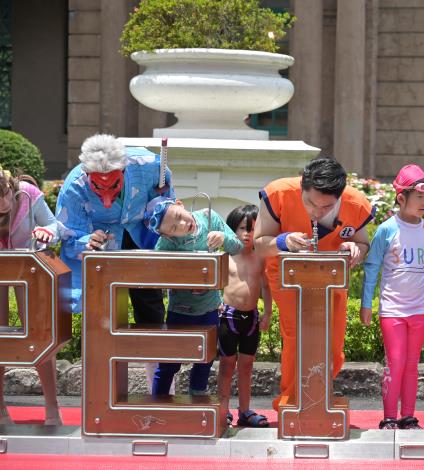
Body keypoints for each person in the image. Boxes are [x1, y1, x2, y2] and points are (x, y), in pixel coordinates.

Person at [253, 157, 374, 411]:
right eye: (310, 203)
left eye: (326, 207)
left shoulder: (356, 204)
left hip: (331, 280)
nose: (316, 212)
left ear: (340, 196)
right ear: (302, 187)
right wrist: (283, 241)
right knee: (296, 338)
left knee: (334, 346)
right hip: (288, 278)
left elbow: (363, 243)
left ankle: (316, 396)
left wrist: (355, 249)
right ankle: (292, 401)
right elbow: (260, 244)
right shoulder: (278, 193)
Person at [55, 134, 173, 391]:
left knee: (151, 310)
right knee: (101, 317)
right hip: (103, 248)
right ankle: (101, 391)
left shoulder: (149, 164)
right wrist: (88, 240)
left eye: (114, 186)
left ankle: (162, 390)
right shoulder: (74, 185)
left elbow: (167, 207)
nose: (106, 198)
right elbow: (67, 233)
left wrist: (161, 200)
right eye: (99, 188)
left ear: (124, 169)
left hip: (141, 235)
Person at [360, 164, 424, 430]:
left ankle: (408, 416)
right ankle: (388, 418)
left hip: (419, 311)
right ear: (401, 198)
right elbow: (372, 266)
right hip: (393, 311)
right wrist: (366, 304)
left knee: (411, 365)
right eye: (419, 197)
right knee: (395, 363)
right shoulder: (387, 230)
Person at [144, 197, 244, 396]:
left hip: (210, 309)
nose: (182, 225)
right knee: (169, 364)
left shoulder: (209, 218)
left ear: (180, 204)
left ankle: (197, 402)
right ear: (166, 235)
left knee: (205, 360)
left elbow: (238, 247)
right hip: (180, 312)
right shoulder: (167, 243)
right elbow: (156, 273)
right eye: (173, 228)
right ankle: (158, 406)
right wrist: (184, 279)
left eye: (180, 216)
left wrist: (223, 238)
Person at [0, 167, 61, 425]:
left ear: (9, 185)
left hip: (29, 268)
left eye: (4, 193)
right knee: (0, 333)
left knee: (39, 335)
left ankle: (52, 409)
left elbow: (53, 223)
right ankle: (0, 409)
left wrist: (46, 233)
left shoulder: (27, 194)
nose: (2, 202)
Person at [217, 204, 272, 427]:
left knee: (247, 366)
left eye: (252, 228)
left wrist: (268, 312)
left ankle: (245, 410)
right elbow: (213, 283)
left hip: (251, 319)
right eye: (242, 228)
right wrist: (215, 305)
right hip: (227, 317)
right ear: (233, 229)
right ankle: (223, 410)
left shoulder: (261, 258)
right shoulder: (226, 256)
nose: (247, 233)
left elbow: (266, 287)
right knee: (226, 366)